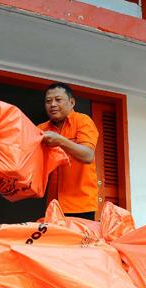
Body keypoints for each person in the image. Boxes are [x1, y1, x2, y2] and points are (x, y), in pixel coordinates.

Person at [38, 82, 99, 220]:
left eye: (58, 100)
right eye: (48, 101)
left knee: (80, 241)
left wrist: (60, 140)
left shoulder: (83, 121)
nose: (52, 104)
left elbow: (88, 155)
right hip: (53, 205)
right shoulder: (41, 129)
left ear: (71, 102)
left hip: (81, 203)